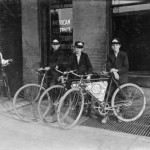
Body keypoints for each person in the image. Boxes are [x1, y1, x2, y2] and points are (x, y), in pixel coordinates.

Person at [101, 37, 129, 124]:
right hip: (113, 78)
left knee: (121, 96)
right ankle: (107, 114)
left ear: (119, 46)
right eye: (113, 45)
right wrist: (113, 71)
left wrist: (117, 71)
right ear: (112, 47)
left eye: (117, 45)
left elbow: (126, 67)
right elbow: (108, 67)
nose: (115, 47)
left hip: (122, 78)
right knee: (109, 95)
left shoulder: (124, 54)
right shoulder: (110, 55)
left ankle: (120, 114)